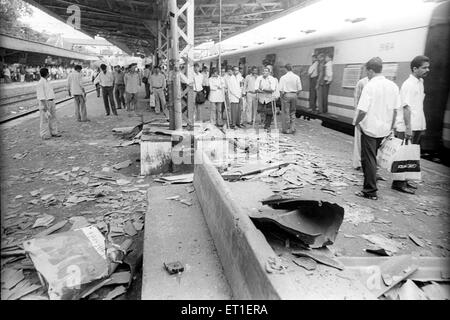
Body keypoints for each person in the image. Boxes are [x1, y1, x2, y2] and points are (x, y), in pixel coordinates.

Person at [354, 57, 400, 200]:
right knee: (373, 158)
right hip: (384, 129)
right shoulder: (393, 86)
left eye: (367, 71)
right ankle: (371, 184)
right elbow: (395, 110)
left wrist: (356, 122)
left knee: (368, 159)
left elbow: (362, 111)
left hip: (370, 129)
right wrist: (391, 127)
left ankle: (370, 191)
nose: (367, 74)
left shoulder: (370, 85)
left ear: (371, 70)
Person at [391, 55, 430, 194]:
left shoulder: (420, 82)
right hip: (407, 126)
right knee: (403, 155)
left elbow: (418, 106)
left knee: (410, 154)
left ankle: (405, 180)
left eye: (427, 67)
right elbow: (406, 107)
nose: (427, 70)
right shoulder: (409, 84)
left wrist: (421, 125)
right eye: (424, 67)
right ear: (415, 68)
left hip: (416, 125)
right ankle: (398, 183)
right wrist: (408, 128)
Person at [36, 67, 61, 139]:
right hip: (45, 102)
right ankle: (44, 134)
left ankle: (54, 132)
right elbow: (41, 96)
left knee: (53, 117)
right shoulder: (40, 83)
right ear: (47, 73)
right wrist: (45, 107)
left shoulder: (47, 81)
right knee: (44, 119)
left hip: (51, 101)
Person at [279, 63, 302, 134]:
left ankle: (286, 129)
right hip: (294, 95)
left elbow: (281, 89)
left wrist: (282, 97)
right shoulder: (296, 77)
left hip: (286, 95)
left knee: (286, 112)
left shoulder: (283, 77)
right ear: (292, 68)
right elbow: (300, 89)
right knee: (293, 112)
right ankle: (293, 129)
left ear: (285, 69)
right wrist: (295, 94)